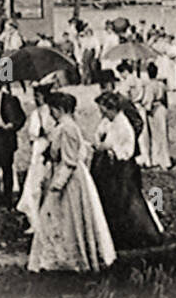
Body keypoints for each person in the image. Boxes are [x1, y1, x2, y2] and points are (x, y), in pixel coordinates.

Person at [27, 93, 116, 273]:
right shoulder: (64, 126)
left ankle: (68, 259)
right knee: (58, 218)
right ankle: (59, 258)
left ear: (58, 109)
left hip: (69, 180)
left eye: (52, 109)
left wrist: (57, 185)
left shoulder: (67, 128)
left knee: (63, 217)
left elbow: (69, 161)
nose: (50, 113)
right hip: (64, 174)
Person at [92, 92, 163, 249]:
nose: (101, 113)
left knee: (128, 201)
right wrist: (100, 141)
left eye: (103, 109)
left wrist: (110, 147)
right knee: (113, 201)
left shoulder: (123, 124)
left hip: (123, 168)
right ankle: (118, 235)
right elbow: (98, 135)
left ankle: (141, 235)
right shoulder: (108, 121)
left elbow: (127, 151)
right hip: (111, 167)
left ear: (111, 109)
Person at [15, 82, 54, 233]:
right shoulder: (36, 113)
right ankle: (34, 219)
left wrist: (44, 132)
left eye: (37, 95)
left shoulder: (49, 112)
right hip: (38, 149)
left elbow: (47, 131)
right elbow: (32, 135)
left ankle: (45, 219)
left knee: (42, 183)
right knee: (34, 185)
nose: (36, 98)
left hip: (46, 147)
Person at [140, 63, 172, 170]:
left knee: (156, 136)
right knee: (163, 134)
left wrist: (147, 109)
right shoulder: (161, 84)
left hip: (154, 110)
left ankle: (157, 159)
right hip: (162, 108)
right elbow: (165, 99)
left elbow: (148, 101)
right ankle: (166, 160)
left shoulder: (149, 86)